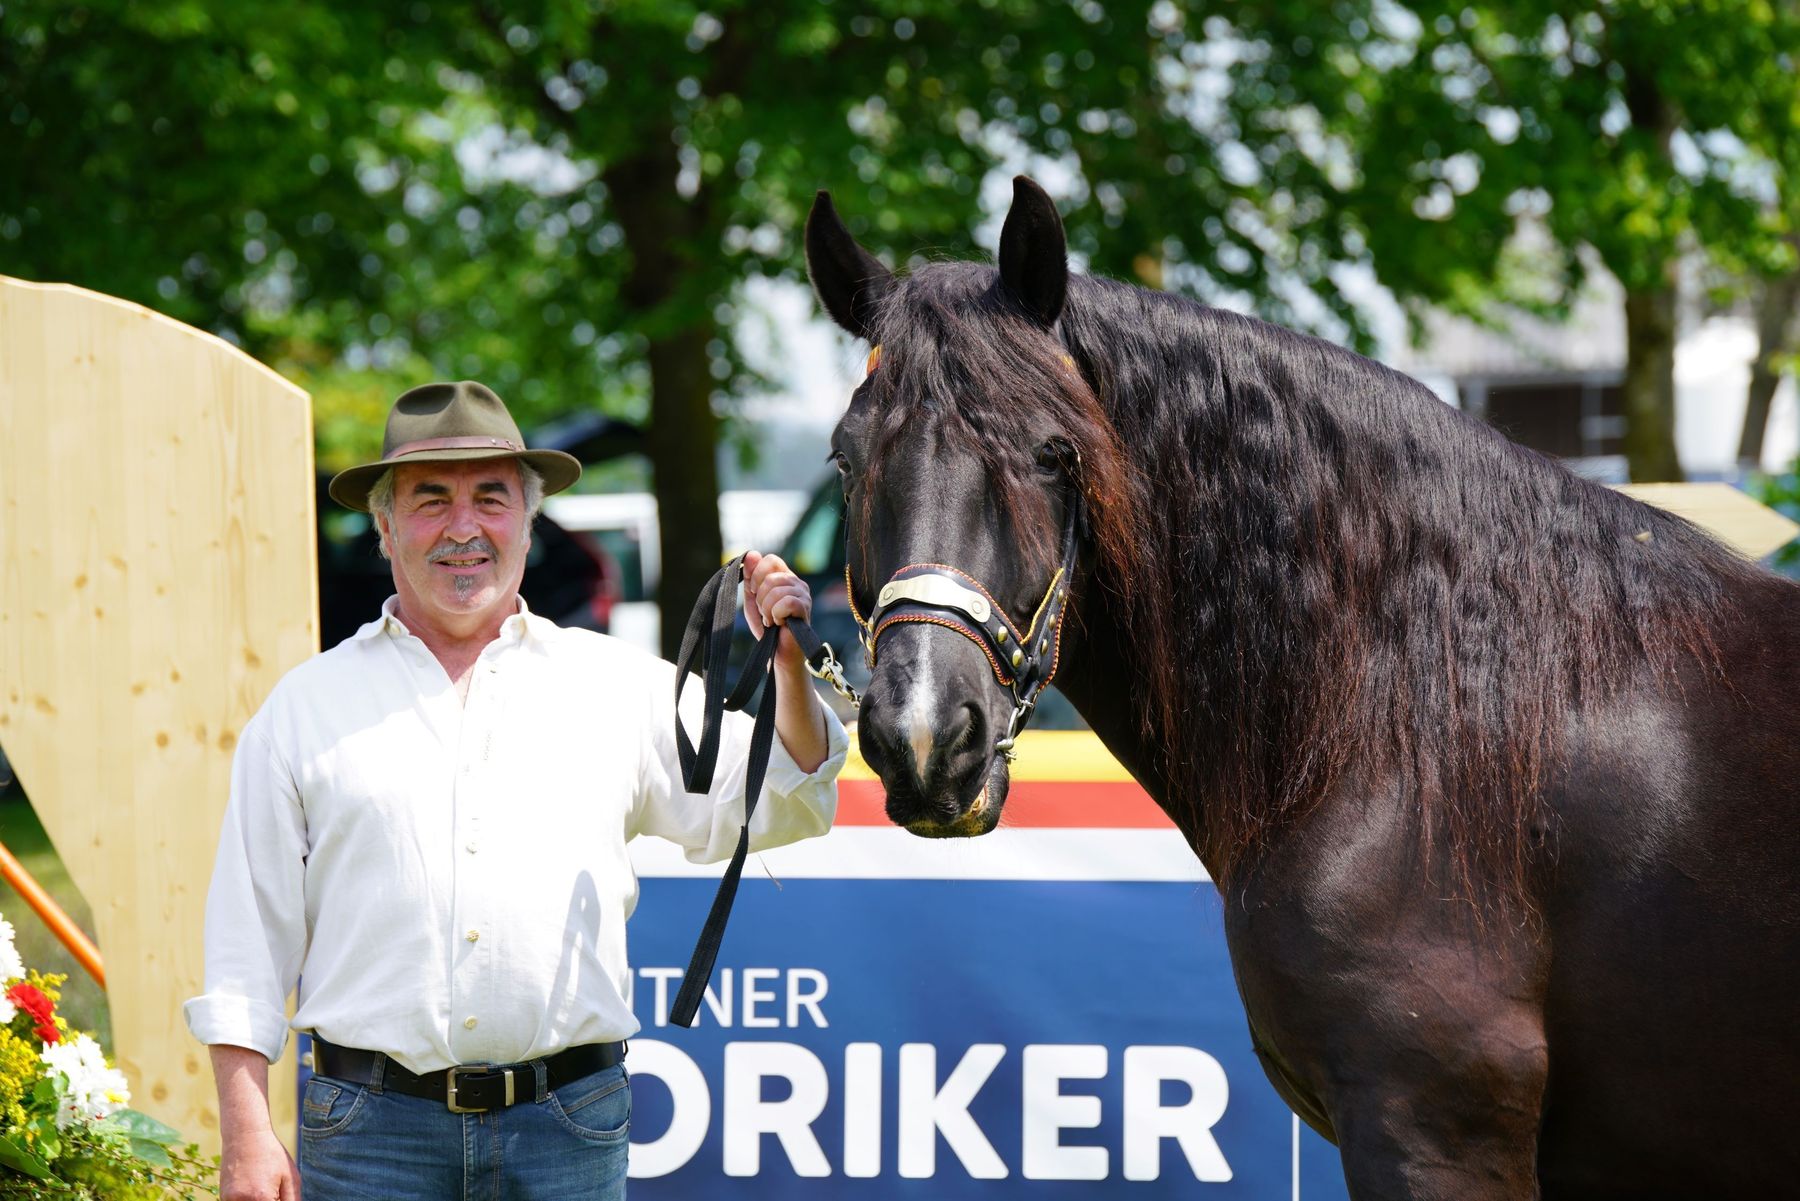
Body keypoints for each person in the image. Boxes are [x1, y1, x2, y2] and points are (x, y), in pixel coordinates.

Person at [184, 380, 846, 1201]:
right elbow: (246, 947)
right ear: (385, 525)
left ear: (530, 523)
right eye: (432, 500)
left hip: (566, 1128)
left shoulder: (616, 687)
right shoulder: (302, 709)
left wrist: (785, 662)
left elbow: (784, 801)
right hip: (369, 1139)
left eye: (491, 497)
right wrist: (247, 1136)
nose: (464, 527)